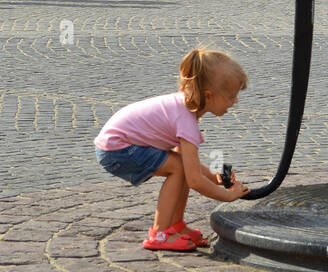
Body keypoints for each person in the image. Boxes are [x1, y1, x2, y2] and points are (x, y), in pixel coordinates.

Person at [93, 47, 251, 251]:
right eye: (231, 96)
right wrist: (228, 196)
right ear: (209, 96)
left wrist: (213, 177)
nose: (235, 102)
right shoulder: (186, 121)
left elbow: (188, 162)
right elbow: (194, 180)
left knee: (180, 165)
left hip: (115, 145)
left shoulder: (183, 107)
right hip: (118, 149)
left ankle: (175, 226)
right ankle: (159, 234)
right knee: (177, 168)